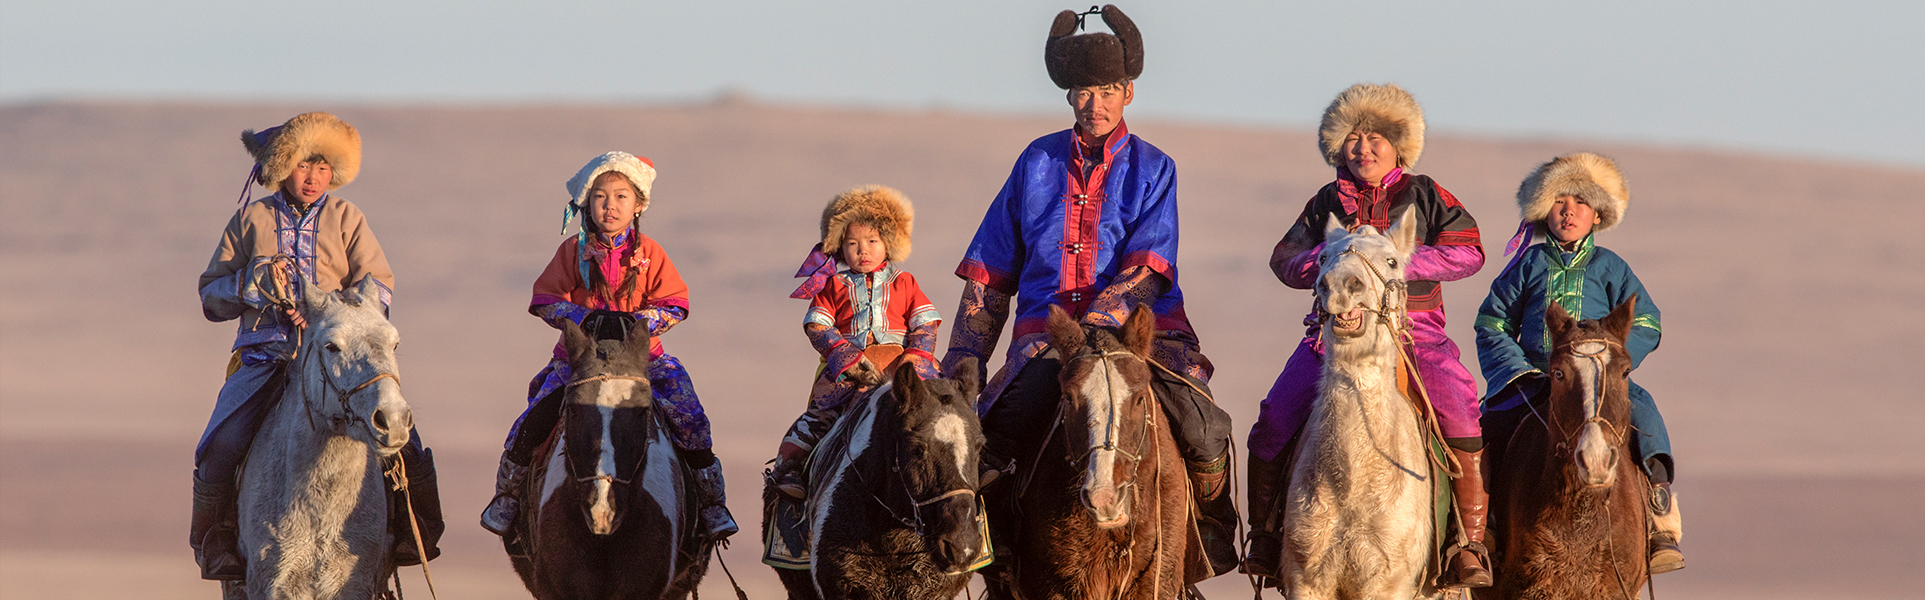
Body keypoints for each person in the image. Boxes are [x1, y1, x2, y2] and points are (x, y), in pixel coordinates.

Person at [942, 5, 1238, 576]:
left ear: (1128, 92)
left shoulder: (1155, 167)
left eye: (1106, 89)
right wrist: (964, 357)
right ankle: (1000, 561)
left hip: (1138, 334)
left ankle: (1206, 541)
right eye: (1082, 90)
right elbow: (992, 269)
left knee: (1206, 428)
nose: (1094, 103)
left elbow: (1150, 265)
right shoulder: (1036, 162)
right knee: (991, 444)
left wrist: (1102, 324)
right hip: (1047, 343)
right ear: (1068, 96)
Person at [1242, 84, 1492, 587]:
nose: (1364, 147)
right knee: (1273, 420)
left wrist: (1393, 259)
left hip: (1413, 331)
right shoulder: (1327, 201)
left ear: (1399, 145)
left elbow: (1471, 251)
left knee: (1461, 410)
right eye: (1354, 138)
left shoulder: (1425, 193)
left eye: (1376, 137)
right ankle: (1267, 539)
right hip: (1332, 332)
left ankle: (1467, 544)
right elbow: (1283, 260)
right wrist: (1333, 258)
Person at [193, 112, 443, 581]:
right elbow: (211, 296)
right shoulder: (252, 219)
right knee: (221, 442)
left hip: (338, 358)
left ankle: (416, 529)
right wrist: (254, 283)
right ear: (284, 167)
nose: (313, 177)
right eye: (304, 166)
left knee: (399, 435)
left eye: (324, 167)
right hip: (267, 356)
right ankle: (215, 540)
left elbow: (378, 285)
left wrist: (341, 309)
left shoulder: (347, 218)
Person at [478, 151, 737, 540]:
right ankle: (508, 497)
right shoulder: (572, 251)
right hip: (579, 364)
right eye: (601, 196)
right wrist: (583, 319)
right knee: (532, 421)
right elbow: (545, 299)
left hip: (644, 362)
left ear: (638, 205)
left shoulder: (650, 253)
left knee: (690, 417)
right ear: (587, 202)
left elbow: (676, 304)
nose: (610, 206)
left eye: (620, 196)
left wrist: (638, 324)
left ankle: (711, 504)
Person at [1475, 152, 1684, 574]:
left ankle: (1660, 519)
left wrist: (1614, 365)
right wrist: (1517, 371)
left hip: (1601, 376)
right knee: (1486, 428)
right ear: (1542, 212)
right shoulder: (1527, 265)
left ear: (1597, 215)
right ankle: (1484, 526)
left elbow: (1646, 319)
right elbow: (1492, 322)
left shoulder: (1610, 266)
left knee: (1644, 414)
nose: (1569, 211)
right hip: (1535, 378)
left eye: (1581, 203)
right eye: (1559, 202)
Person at [769, 185, 942, 497]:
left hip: (900, 368)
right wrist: (842, 353)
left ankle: (967, 473)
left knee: (942, 413)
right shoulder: (833, 285)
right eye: (852, 243)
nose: (863, 250)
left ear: (889, 243)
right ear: (839, 247)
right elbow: (817, 322)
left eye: (872, 241)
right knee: (817, 419)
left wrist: (917, 355)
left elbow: (925, 321)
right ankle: (790, 468)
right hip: (850, 371)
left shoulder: (905, 281)